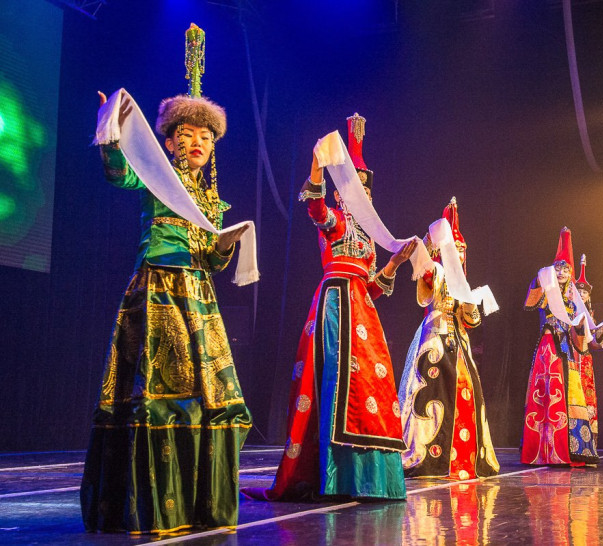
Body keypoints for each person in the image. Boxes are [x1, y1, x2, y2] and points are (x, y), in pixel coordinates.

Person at [81, 25, 252, 533]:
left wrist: (225, 244)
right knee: (158, 396)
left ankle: (201, 504)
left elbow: (212, 262)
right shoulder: (157, 178)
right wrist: (110, 132)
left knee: (213, 395)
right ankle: (154, 505)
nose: (198, 142)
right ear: (170, 140)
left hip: (198, 299)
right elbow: (120, 173)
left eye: (206, 137)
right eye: (188, 134)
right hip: (157, 289)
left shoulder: (212, 200)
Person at [241, 114, 415, 501]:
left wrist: (394, 263)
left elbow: (373, 288)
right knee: (335, 381)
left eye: (368, 192)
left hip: (363, 310)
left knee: (369, 385)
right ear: (344, 194)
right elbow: (315, 208)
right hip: (336, 303)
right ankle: (331, 475)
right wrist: (317, 164)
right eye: (358, 190)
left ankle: (368, 480)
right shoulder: (335, 220)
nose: (364, 197)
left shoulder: (370, 240)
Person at [398, 197, 499, 480]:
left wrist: (470, 303)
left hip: (459, 341)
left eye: (463, 249)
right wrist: (431, 240)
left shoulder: (463, 282)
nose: (460, 254)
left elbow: (471, 321)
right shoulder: (438, 270)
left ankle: (463, 455)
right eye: (455, 248)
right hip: (435, 338)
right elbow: (424, 270)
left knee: (467, 390)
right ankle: (430, 454)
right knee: (432, 390)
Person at [521, 227, 598, 466]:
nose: (562, 272)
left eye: (566, 269)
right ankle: (545, 450)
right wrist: (539, 279)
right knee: (547, 394)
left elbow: (579, 337)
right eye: (558, 268)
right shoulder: (547, 292)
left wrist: (584, 330)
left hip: (568, 352)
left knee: (570, 394)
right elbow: (530, 303)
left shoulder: (574, 303)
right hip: (548, 350)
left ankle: (571, 448)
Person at [574, 253, 601, 454]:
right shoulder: (568, 311)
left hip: (585, 359)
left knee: (588, 397)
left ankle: (589, 442)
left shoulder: (591, 314)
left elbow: (594, 344)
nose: (582, 295)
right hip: (571, 356)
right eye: (579, 291)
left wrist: (600, 336)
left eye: (585, 293)